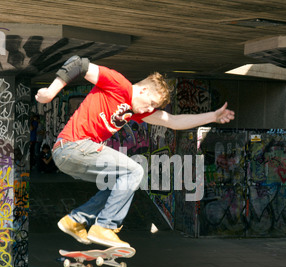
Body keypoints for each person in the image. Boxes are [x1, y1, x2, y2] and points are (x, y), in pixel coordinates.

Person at [35, 55, 234, 248]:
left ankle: (76, 220)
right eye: (152, 103)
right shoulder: (118, 84)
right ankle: (104, 226)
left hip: (68, 156)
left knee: (118, 183)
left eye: (154, 107)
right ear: (144, 90)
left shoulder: (135, 110)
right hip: (73, 146)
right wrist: (51, 93)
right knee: (135, 170)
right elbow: (78, 63)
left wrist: (213, 116)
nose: (149, 108)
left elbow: (173, 121)